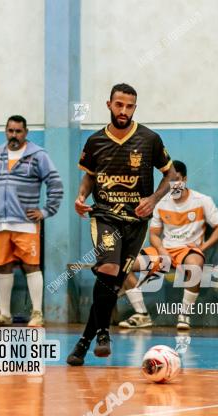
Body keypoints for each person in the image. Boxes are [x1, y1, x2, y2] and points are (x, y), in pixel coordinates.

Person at [67, 83, 178, 366]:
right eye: (119, 105)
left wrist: (153, 199)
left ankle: (83, 342)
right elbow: (89, 178)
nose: (124, 111)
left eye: (129, 106)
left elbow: (171, 176)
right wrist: (81, 197)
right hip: (104, 216)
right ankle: (104, 331)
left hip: (136, 222)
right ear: (109, 105)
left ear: (135, 108)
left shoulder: (149, 139)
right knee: (109, 267)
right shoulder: (94, 141)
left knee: (112, 284)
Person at [120, 160, 218, 330]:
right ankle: (142, 315)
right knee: (123, 265)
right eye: (170, 180)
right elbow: (154, 235)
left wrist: (203, 247)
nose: (173, 185)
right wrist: (162, 250)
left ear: (184, 179)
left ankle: (184, 315)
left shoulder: (202, 200)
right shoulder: (160, 202)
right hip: (165, 251)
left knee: (195, 266)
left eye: (177, 179)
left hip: (188, 251)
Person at [0, 114, 63, 327]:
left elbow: (55, 184)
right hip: (1, 224)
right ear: (5, 131)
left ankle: (37, 314)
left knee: (31, 266)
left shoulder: (38, 156)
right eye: (10, 131)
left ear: (26, 133)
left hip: (26, 224)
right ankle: (4, 314)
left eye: (18, 131)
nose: (13, 135)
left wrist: (45, 211)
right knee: (3, 267)